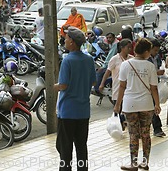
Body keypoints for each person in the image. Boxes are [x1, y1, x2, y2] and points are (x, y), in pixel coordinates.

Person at [114, 38, 161, 171]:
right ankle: (145, 162)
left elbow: (122, 86)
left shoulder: (125, 65)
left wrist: (118, 104)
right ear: (146, 52)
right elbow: (154, 88)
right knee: (145, 134)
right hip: (146, 105)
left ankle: (133, 164)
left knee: (133, 134)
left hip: (130, 104)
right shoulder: (150, 66)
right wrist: (157, 104)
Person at [54, 27, 96, 171]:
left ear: (71, 42)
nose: (65, 41)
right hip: (83, 111)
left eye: (66, 38)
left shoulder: (67, 61)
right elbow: (93, 82)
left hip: (67, 111)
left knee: (64, 148)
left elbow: (64, 85)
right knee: (81, 147)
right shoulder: (89, 59)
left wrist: (55, 87)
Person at [99, 38, 133, 103]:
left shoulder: (132, 58)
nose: (130, 49)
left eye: (130, 47)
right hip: (118, 89)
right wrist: (102, 84)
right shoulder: (115, 59)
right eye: (128, 47)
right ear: (122, 48)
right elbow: (108, 72)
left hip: (130, 90)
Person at [147, 38, 166, 137]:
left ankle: (157, 128)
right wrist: (156, 72)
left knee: (153, 106)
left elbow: (159, 66)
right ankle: (157, 128)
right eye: (154, 50)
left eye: (157, 50)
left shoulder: (157, 57)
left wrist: (160, 71)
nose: (156, 52)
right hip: (147, 86)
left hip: (155, 84)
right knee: (152, 106)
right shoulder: (145, 59)